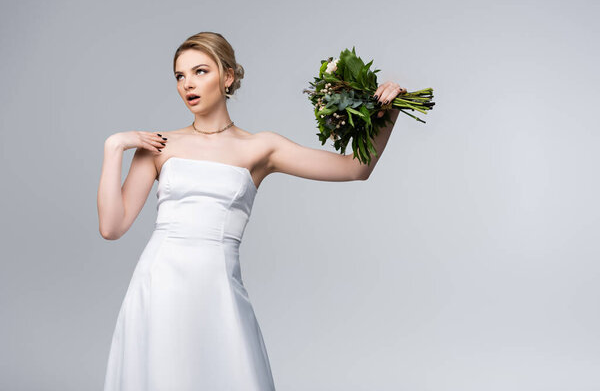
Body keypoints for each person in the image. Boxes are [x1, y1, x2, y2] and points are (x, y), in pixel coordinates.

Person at [97, 31, 406, 390]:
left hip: (218, 287)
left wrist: (391, 113)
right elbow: (112, 226)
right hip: (159, 283)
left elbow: (356, 169)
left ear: (227, 76)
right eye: (180, 76)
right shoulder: (159, 145)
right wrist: (113, 147)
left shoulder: (261, 147)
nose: (188, 85)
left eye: (200, 72)